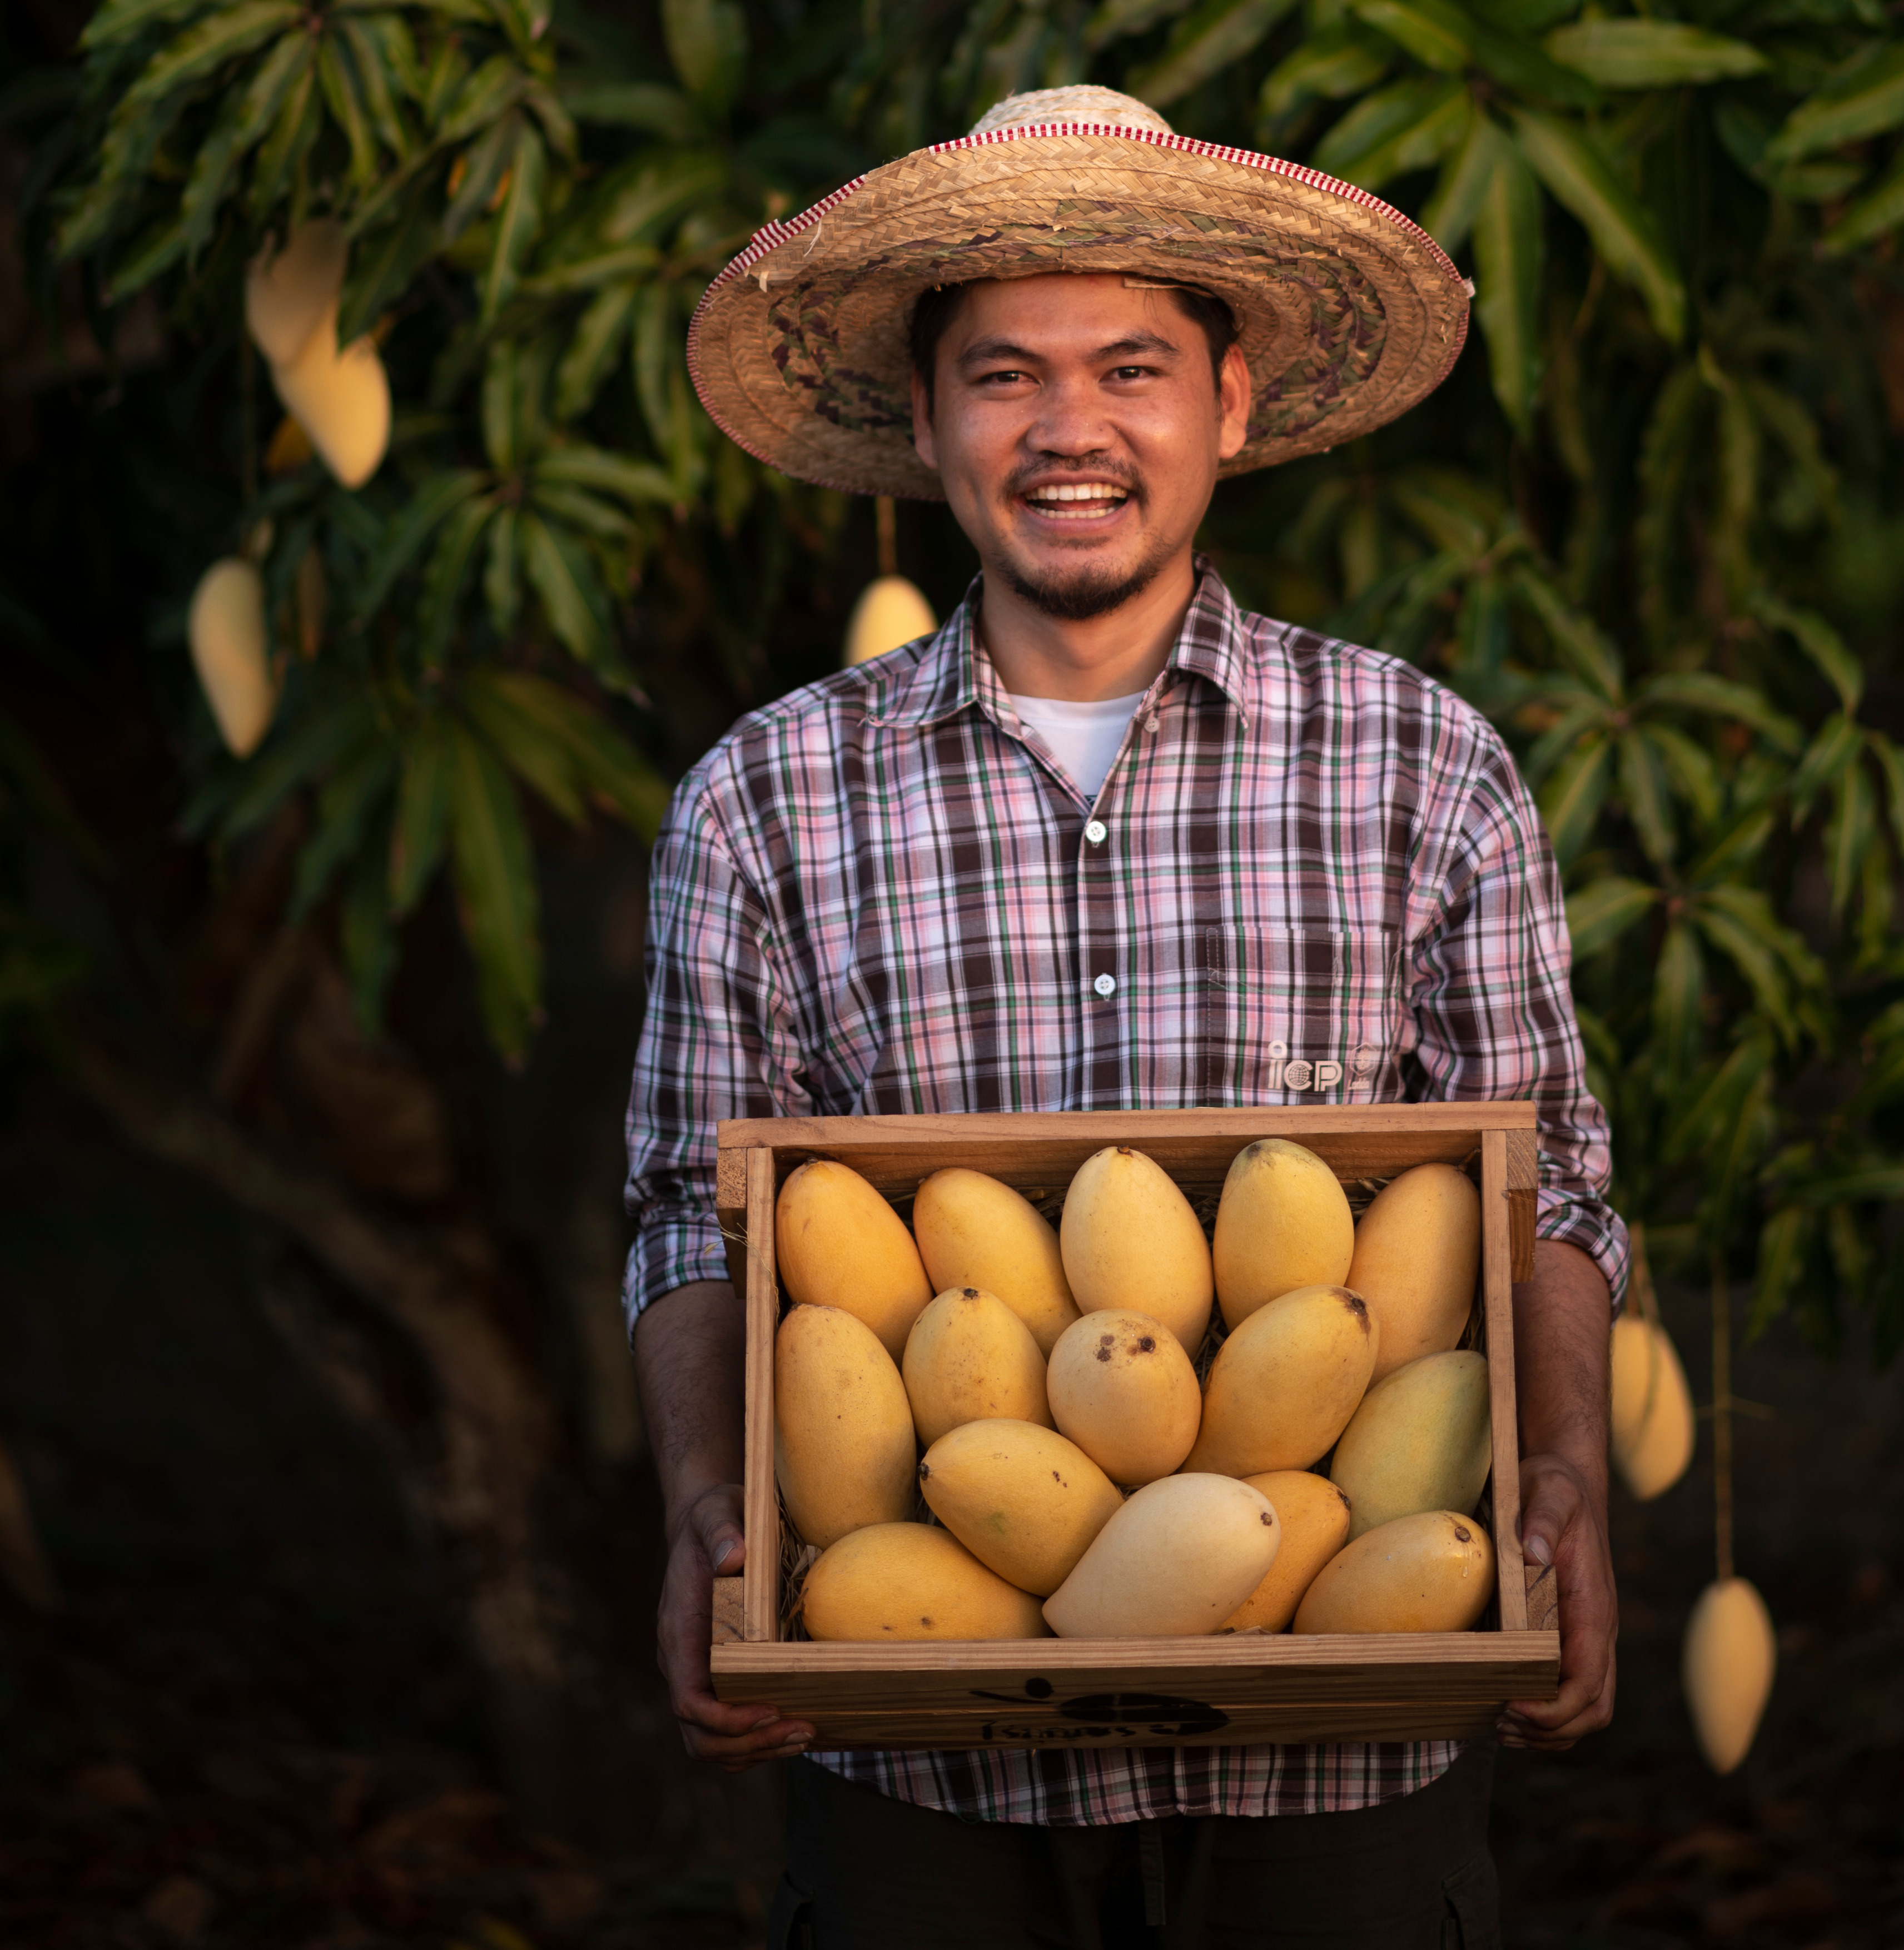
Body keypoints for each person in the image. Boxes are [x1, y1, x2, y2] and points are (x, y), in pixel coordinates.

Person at [624, 85, 1627, 1950]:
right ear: (923, 424)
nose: (1070, 429)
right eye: (1003, 374)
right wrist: (705, 1504)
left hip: (1341, 1754)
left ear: (1230, 406)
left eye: (1134, 368)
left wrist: (1561, 1472)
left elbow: (1546, 1183)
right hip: (928, 1763)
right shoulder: (762, 800)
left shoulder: (1424, 770)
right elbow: (698, 1208)